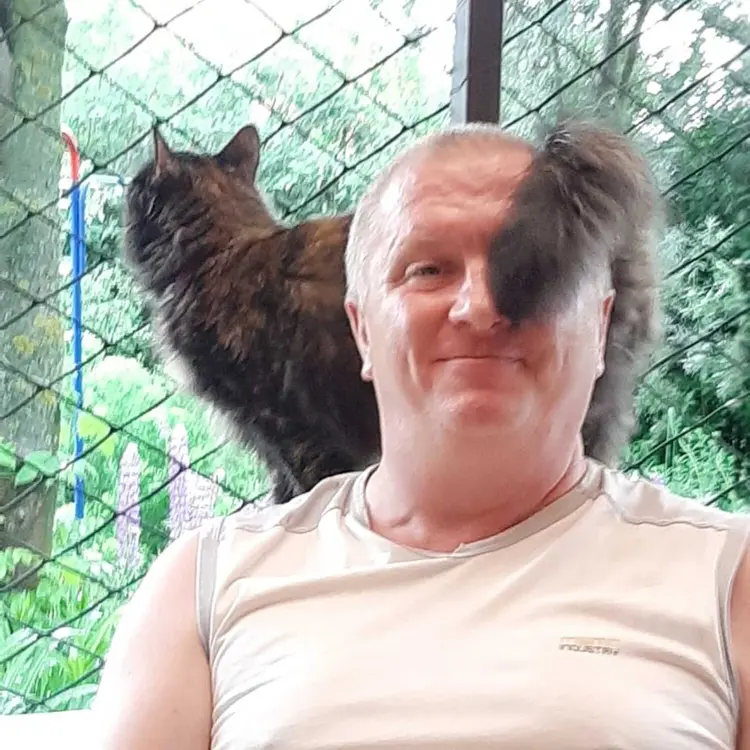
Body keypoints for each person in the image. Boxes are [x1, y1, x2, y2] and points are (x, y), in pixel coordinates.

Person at [92, 122, 750, 750]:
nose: (480, 308)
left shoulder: (727, 579)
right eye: (428, 270)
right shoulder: (202, 587)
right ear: (361, 329)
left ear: (601, 325)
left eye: (524, 270)